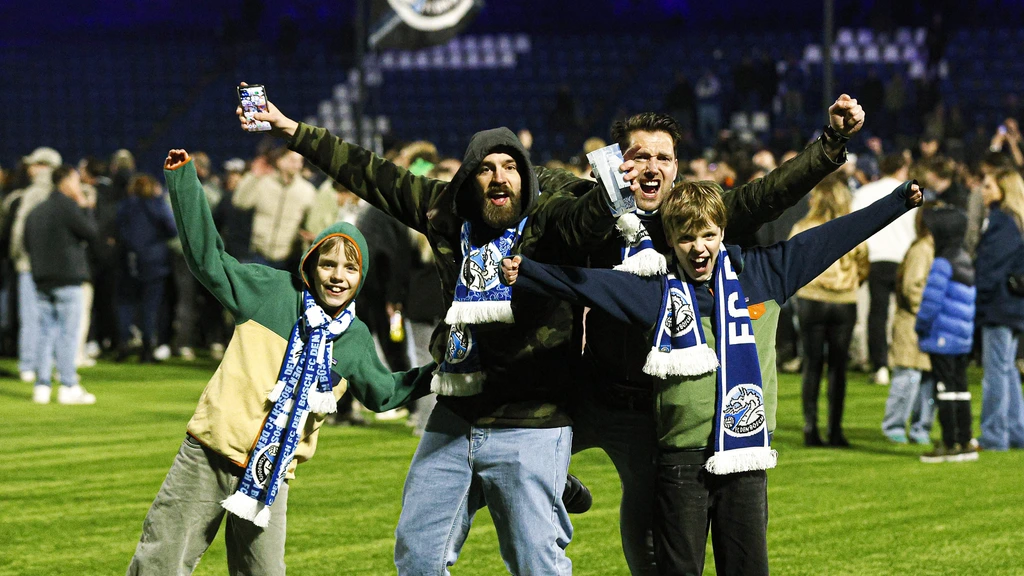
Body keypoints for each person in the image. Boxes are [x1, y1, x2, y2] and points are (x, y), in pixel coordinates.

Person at [238, 86, 629, 575]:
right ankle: (555, 481)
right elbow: (370, 172)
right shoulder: (445, 215)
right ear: (469, 178)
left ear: (525, 177)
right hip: (456, 412)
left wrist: (621, 185)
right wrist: (293, 131)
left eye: (510, 166)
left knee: (536, 564)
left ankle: (552, 476)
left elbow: (590, 222)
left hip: (532, 417)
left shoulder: (548, 220)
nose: (498, 177)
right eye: (486, 167)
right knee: (418, 555)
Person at [500, 178, 923, 575]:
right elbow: (587, 284)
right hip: (680, 462)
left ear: (722, 231)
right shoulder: (655, 290)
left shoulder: (765, 273)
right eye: (686, 238)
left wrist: (899, 201)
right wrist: (530, 273)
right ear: (671, 241)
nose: (698, 248)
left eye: (707, 235)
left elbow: (836, 236)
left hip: (747, 457)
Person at [534, 97, 864, 575]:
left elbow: (767, 195)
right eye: (639, 156)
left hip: (650, 410)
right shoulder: (596, 214)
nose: (651, 167)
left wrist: (831, 143)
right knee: (518, 458)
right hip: (587, 389)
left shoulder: (691, 220)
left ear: (675, 168)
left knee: (650, 553)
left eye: (662, 157)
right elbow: (550, 191)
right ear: (619, 162)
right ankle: (564, 485)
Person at [126, 150, 435, 575]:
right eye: (328, 263)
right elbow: (207, 259)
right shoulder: (269, 290)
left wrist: (439, 373)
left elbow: (384, 394)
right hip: (208, 456)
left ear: (360, 279)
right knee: (159, 563)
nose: (337, 275)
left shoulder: (356, 338)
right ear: (311, 264)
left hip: (272, 476)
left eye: (350, 268)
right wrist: (184, 183)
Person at [790, 174, 869, 447]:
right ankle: (836, 430)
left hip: (811, 300)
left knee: (812, 365)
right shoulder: (853, 227)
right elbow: (863, 263)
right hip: (844, 302)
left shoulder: (804, 226)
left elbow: (792, 262)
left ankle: (811, 428)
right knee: (838, 368)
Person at [23, 165, 98, 405]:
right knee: (68, 333)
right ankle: (68, 385)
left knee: (45, 331)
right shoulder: (68, 207)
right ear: (64, 182)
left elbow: (26, 243)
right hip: (67, 278)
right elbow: (91, 233)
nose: (78, 187)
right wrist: (85, 207)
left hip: (42, 278)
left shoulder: (36, 211)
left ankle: (42, 386)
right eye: (75, 181)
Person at [916, 206, 978, 463]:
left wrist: (920, 326)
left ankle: (950, 442)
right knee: (959, 388)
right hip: (961, 338)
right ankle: (965, 440)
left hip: (942, 337)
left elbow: (931, 302)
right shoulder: (965, 259)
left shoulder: (942, 262)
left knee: (944, 389)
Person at [852, 153, 917, 385]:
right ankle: (904, 361)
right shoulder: (912, 192)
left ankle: (880, 366)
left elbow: (854, 227)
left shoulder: (864, 193)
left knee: (877, 315)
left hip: (876, 260)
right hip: (905, 261)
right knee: (905, 313)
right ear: (902, 169)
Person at [975, 168, 1024, 451]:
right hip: (1014, 304)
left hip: (1000, 304)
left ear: (1004, 190)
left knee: (996, 372)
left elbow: (990, 267)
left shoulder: (1002, 221)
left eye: (989, 186)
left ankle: (994, 435)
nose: (983, 191)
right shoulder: (1017, 221)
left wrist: (978, 297)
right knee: (1007, 371)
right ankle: (1016, 432)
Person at [881, 205, 937, 445]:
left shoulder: (932, 248)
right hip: (913, 322)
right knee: (908, 376)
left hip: (925, 323)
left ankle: (920, 428)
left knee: (928, 378)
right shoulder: (923, 249)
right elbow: (912, 287)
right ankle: (894, 424)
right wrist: (929, 311)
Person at [7, 146, 62, 383]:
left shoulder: (32, 193)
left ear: (45, 167)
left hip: (30, 265)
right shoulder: (63, 193)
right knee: (54, 318)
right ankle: (45, 364)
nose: (30, 169)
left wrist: (18, 257)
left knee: (31, 317)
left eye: (34, 164)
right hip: (57, 266)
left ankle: (29, 364)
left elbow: (19, 232)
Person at [115, 173, 178, 362]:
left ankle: (123, 344)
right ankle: (147, 348)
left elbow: (119, 229)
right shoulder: (158, 205)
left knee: (126, 303)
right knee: (150, 307)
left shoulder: (125, 206)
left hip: (129, 260)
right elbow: (172, 229)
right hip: (155, 261)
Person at [231, 147, 316, 270]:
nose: (297, 165)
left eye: (300, 161)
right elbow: (240, 202)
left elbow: (310, 223)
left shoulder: (307, 191)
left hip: (289, 260)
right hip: (259, 254)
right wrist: (253, 176)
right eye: (292, 160)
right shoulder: (263, 182)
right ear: (279, 161)